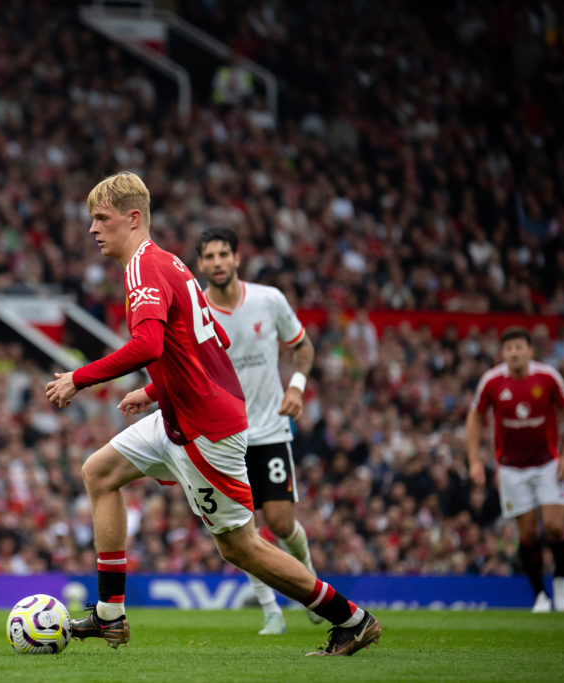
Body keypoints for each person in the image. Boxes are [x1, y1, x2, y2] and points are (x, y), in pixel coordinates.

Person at [46, 172, 380, 656]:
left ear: (133, 218)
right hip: (182, 413)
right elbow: (207, 343)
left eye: (102, 218)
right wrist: (155, 389)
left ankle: (351, 619)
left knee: (240, 546)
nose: (93, 229)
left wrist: (79, 378)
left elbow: (148, 343)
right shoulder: (172, 264)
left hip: (204, 429)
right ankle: (109, 615)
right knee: (99, 471)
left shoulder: (143, 269)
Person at [196, 227, 323, 635]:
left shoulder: (270, 299)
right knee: (240, 529)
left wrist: (297, 387)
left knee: (282, 523)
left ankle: (309, 581)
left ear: (237, 258)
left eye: (223, 254)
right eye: (209, 256)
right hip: (224, 435)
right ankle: (271, 611)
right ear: (200, 264)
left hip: (269, 430)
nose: (217, 262)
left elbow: (302, 346)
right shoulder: (196, 310)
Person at [466, 326, 564, 613]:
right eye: (509, 348)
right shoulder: (491, 381)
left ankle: (562, 588)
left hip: (547, 464)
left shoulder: (548, 376)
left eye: (519, 347)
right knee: (528, 534)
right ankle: (540, 596)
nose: (514, 352)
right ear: (502, 353)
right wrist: (475, 461)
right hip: (511, 469)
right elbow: (474, 417)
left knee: (555, 527)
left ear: (530, 350)